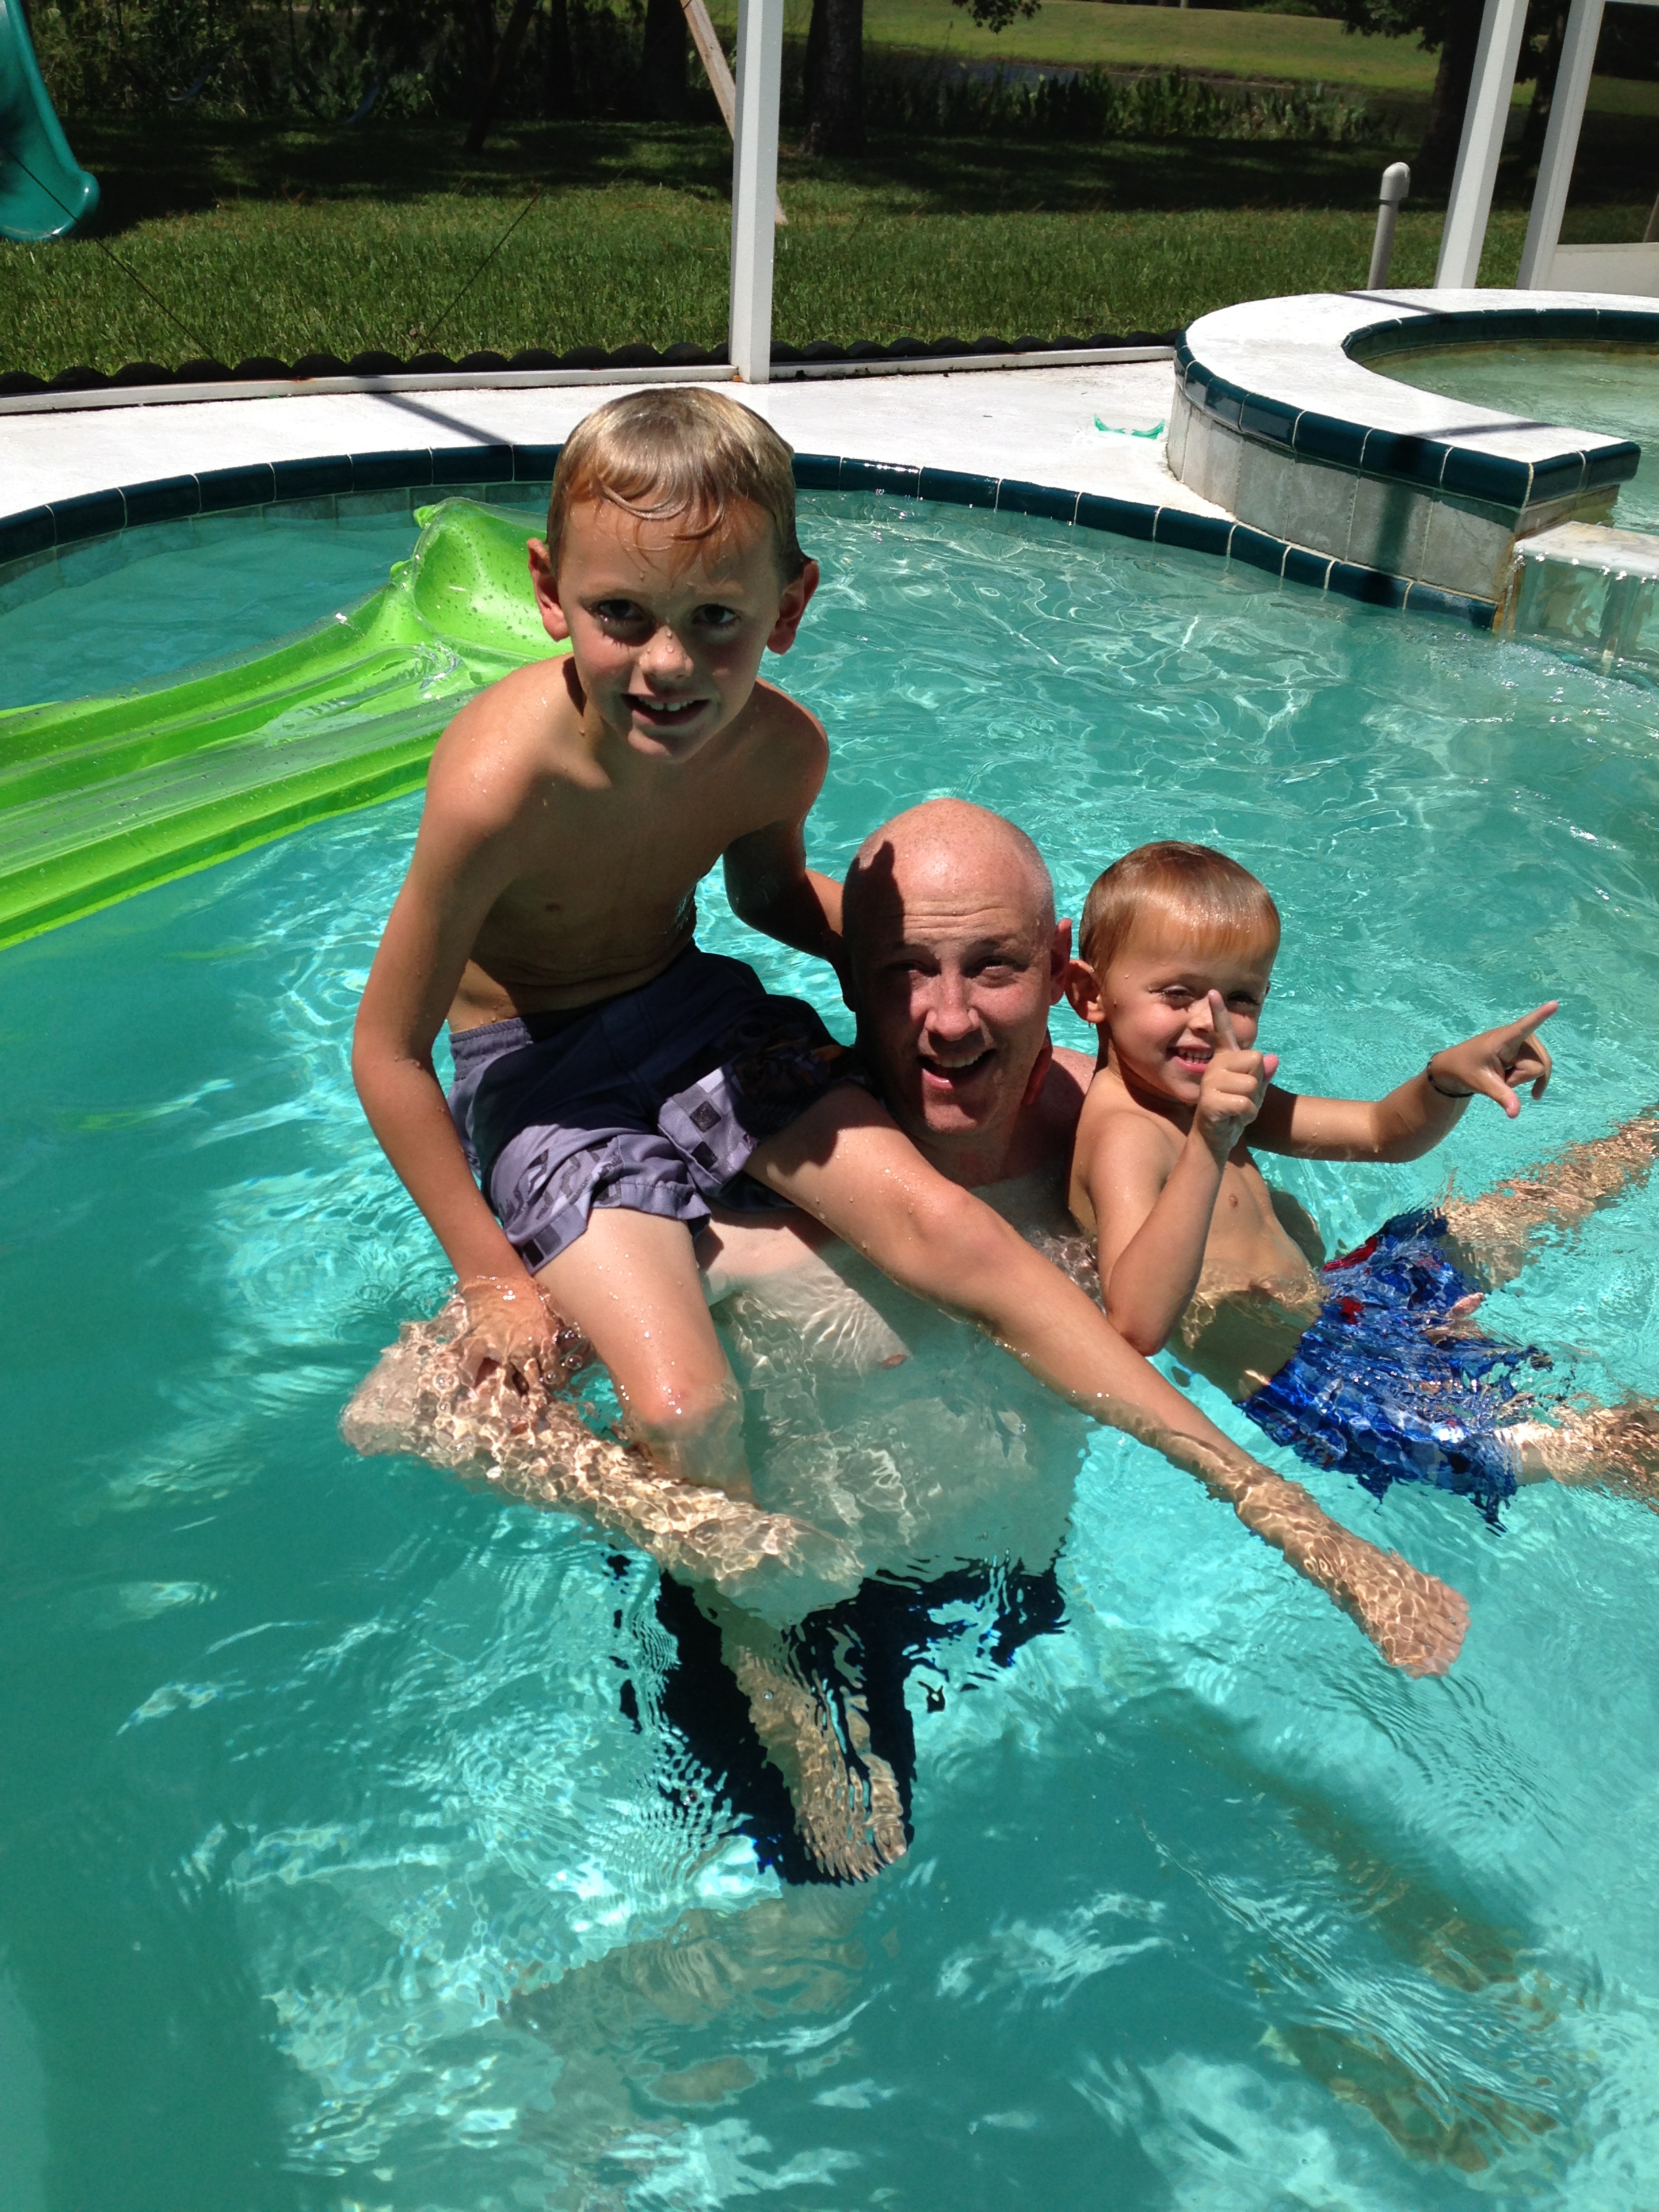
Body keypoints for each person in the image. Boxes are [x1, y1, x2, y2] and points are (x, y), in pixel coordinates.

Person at [350, 387, 1465, 1675]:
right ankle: (757, 1656)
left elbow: (770, 901)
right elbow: (389, 1052)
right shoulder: (501, 780)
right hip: (542, 1077)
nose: (668, 665)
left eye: (716, 620)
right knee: (683, 1403)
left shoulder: (777, 751)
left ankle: (1287, 1516)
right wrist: (490, 1274)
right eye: (623, 615)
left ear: (788, 607)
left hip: (689, 1012)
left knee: (959, 1235)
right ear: (550, 593)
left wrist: (935, 984)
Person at [1065, 839, 1659, 1521]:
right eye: (1176, 994)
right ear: (1090, 995)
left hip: (1347, 1301)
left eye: (1240, 997)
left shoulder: (1208, 1091)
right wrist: (1210, 1140)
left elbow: (1381, 1133)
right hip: (1327, 1390)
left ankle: (1646, 1136)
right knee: (1608, 1445)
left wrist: (1446, 1078)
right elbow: (1137, 1323)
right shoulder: (1126, 1135)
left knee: (1516, 1209)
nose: (1210, 1021)